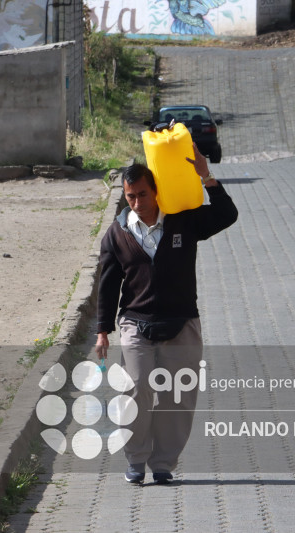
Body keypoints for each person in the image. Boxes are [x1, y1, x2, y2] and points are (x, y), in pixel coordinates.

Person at [95, 144, 238, 484]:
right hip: (135, 322)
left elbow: (226, 215)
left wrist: (206, 175)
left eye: (142, 194)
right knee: (138, 386)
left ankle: (163, 464)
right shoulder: (117, 233)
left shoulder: (183, 220)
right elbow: (107, 283)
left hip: (182, 322)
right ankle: (135, 459)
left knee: (178, 397)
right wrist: (102, 330)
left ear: (156, 191)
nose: (137, 202)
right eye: (130, 196)